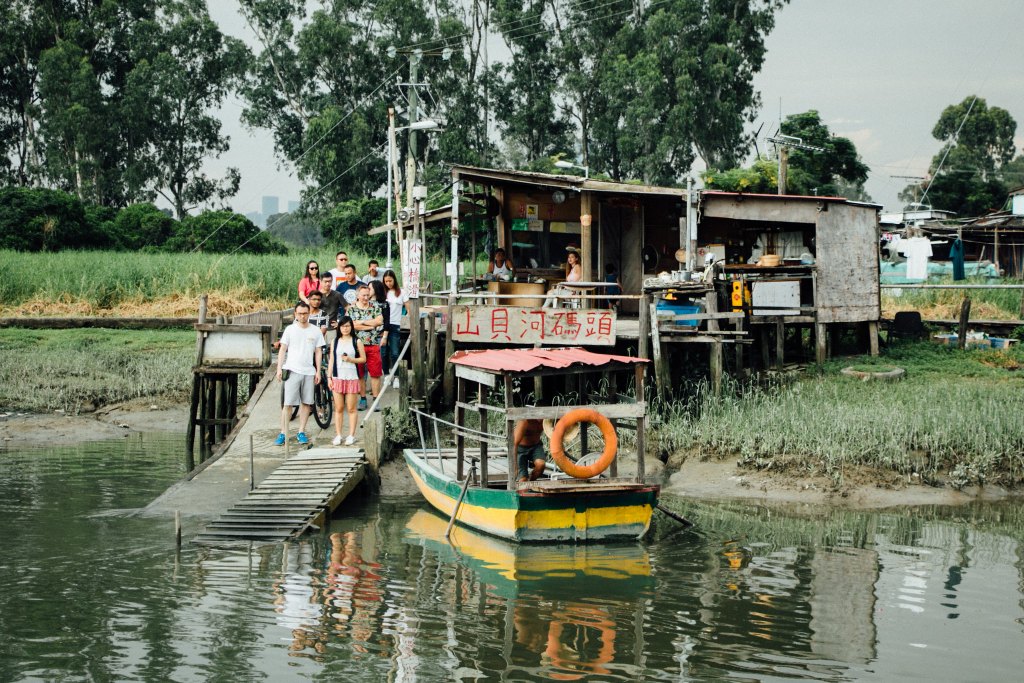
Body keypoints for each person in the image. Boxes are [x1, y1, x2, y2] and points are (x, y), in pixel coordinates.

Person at [275, 301, 325, 446]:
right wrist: (279, 368)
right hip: (292, 369)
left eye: (305, 313)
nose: (303, 316)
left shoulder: (315, 331)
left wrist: (318, 371)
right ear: (295, 314)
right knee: (288, 403)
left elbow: (318, 351)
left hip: (309, 371)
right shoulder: (290, 329)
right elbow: (283, 349)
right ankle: (283, 432)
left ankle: (301, 431)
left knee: (306, 403)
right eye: (300, 313)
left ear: (309, 313)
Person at [327, 315, 365, 446]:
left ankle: (351, 435)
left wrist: (350, 360)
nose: (345, 328)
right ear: (339, 327)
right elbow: (331, 360)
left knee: (351, 408)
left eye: (348, 326)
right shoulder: (335, 341)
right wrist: (329, 377)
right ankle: (338, 434)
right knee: (338, 408)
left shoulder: (357, 341)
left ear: (351, 327)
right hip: (338, 377)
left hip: (352, 377)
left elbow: (363, 359)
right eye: (343, 326)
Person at [348, 284, 384, 411]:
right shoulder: (351, 309)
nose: (365, 297)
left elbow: (379, 321)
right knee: (360, 374)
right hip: (357, 346)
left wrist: (361, 323)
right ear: (358, 295)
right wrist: (370, 325)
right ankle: (362, 398)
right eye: (363, 295)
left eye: (367, 295)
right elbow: (352, 326)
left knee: (375, 373)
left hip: (373, 344)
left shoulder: (375, 307)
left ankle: (376, 399)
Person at [381, 270, 407, 376]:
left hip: (396, 324)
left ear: (394, 279)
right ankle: (386, 374)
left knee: (395, 353)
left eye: (390, 281)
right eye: (386, 281)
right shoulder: (383, 293)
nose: (388, 283)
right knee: (383, 352)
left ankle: (396, 376)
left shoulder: (401, 292)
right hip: (383, 325)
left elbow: (408, 308)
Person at [317, 272, 343, 343]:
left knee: (331, 350)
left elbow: (348, 308)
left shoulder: (337, 295)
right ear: (321, 281)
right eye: (325, 281)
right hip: (317, 328)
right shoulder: (316, 295)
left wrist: (340, 322)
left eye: (330, 281)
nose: (328, 284)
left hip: (331, 328)